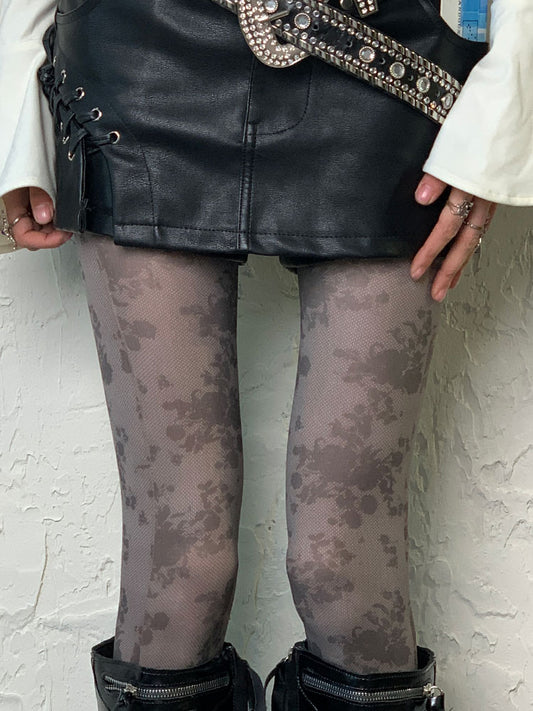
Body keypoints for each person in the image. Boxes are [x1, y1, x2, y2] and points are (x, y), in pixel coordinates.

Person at [0, 0, 531, 709]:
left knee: (340, 563)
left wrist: (501, 101)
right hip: (139, 63)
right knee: (182, 565)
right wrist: (13, 113)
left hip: (384, 61)